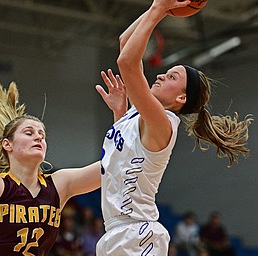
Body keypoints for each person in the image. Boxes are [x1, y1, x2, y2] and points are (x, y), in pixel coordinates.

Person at [94, 0, 253, 255]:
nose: (159, 75)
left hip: (137, 234)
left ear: (181, 98)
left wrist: (158, 8)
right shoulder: (136, 115)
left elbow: (127, 62)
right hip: (117, 232)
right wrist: (164, 9)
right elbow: (125, 41)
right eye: (166, 73)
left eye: (171, 77)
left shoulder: (163, 122)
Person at [0, 77, 101, 256]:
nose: (39, 137)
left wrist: (121, 118)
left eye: (42, 134)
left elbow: (111, 168)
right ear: (7, 144)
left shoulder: (58, 185)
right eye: (29, 132)